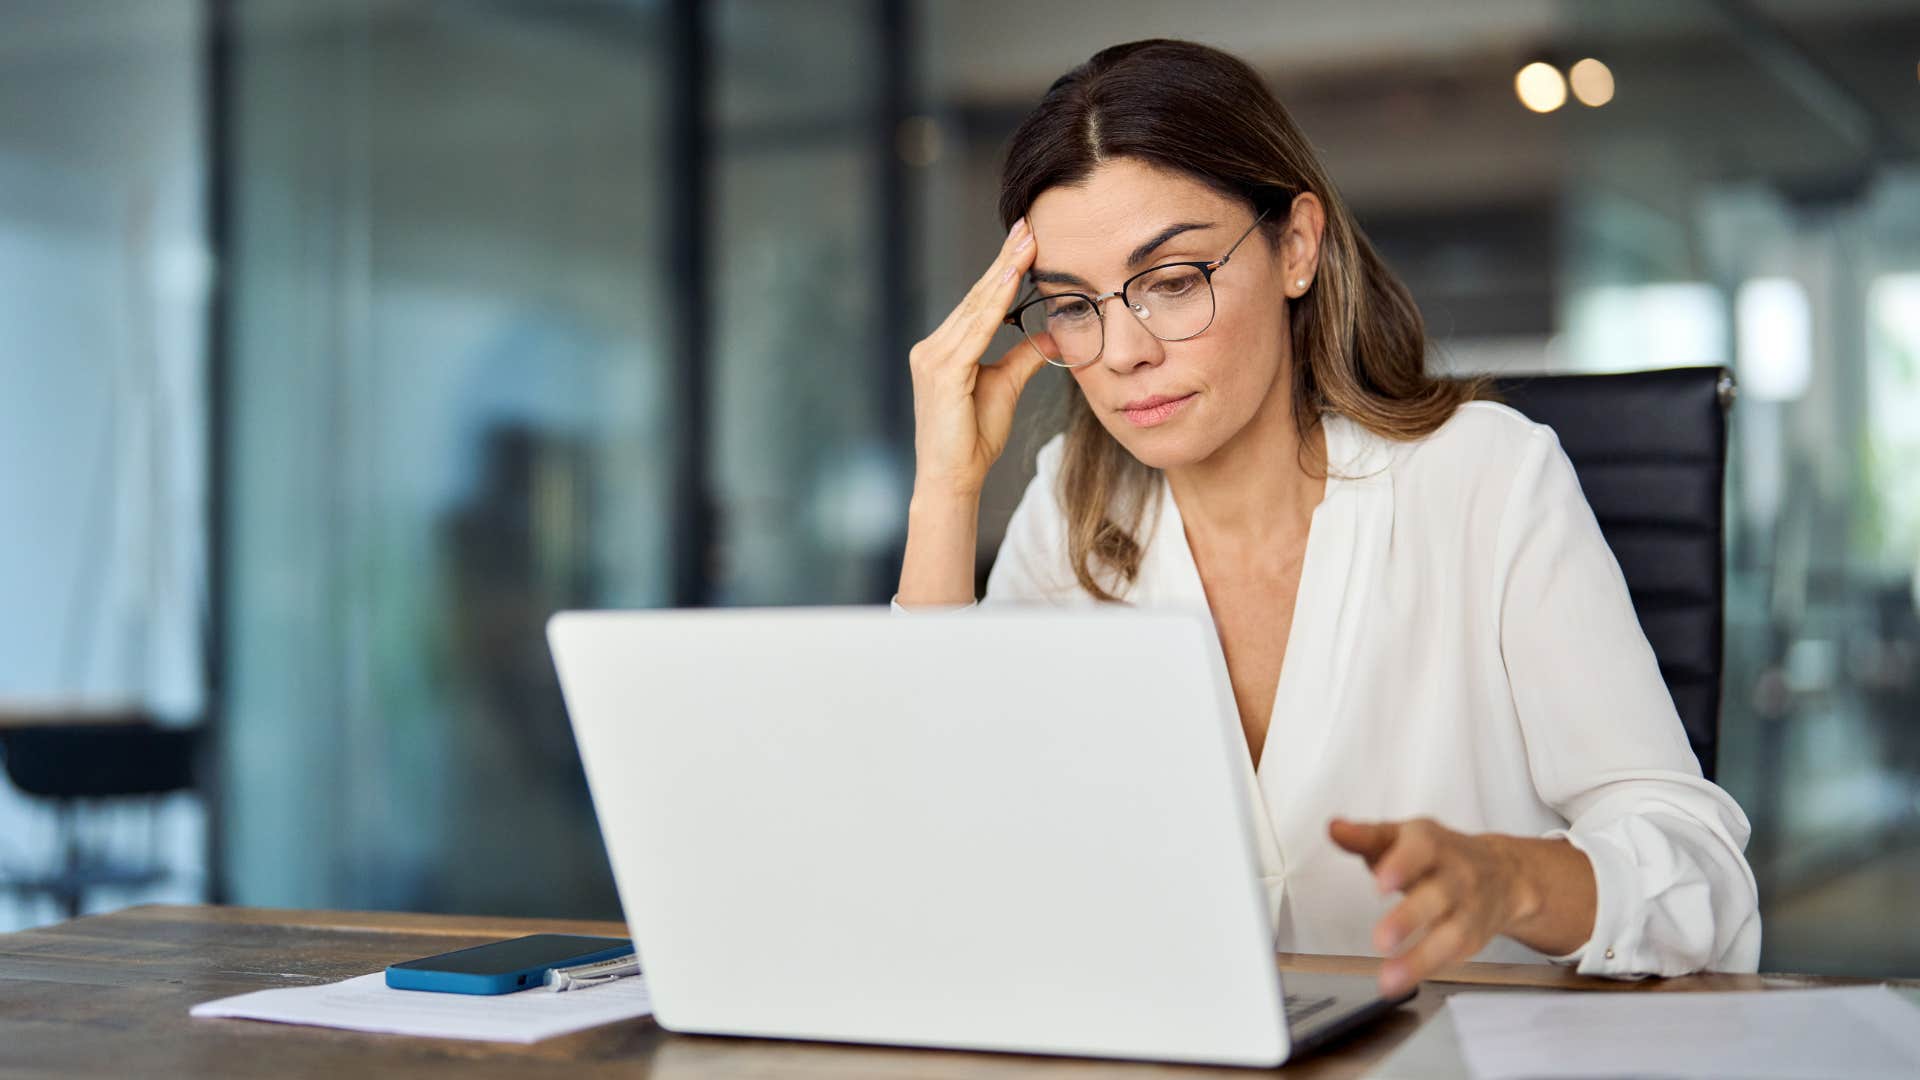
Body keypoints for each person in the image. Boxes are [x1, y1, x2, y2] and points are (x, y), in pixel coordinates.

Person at [895, 39, 1759, 996]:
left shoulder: (1485, 478)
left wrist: (1510, 878)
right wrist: (945, 491)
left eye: (1173, 280)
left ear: (1296, 246)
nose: (1124, 351)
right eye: (1073, 305)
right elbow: (941, 860)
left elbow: (1703, 873)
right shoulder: (1072, 507)